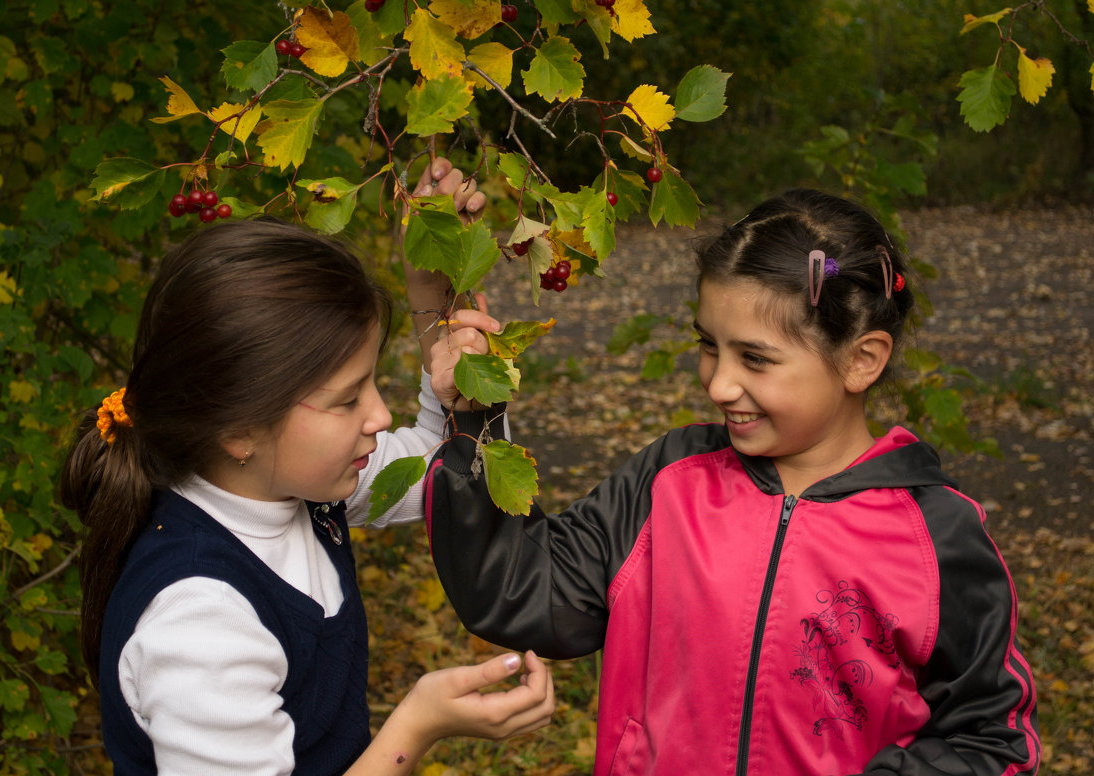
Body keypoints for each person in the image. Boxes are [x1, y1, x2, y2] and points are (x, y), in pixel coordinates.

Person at [424, 188, 1040, 776]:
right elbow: (518, 589)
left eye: (756, 358)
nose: (718, 384)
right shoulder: (669, 483)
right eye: (708, 346)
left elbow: (990, 738)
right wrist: (475, 416)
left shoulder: (936, 537)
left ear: (861, 360)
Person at [60, 159, 554, 775]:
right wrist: (419, 726)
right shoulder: (200, 624)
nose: (378, 416)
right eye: (347, 399)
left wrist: (432, 290)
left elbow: (438, 465)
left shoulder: (289, 488)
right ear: (238, 428)